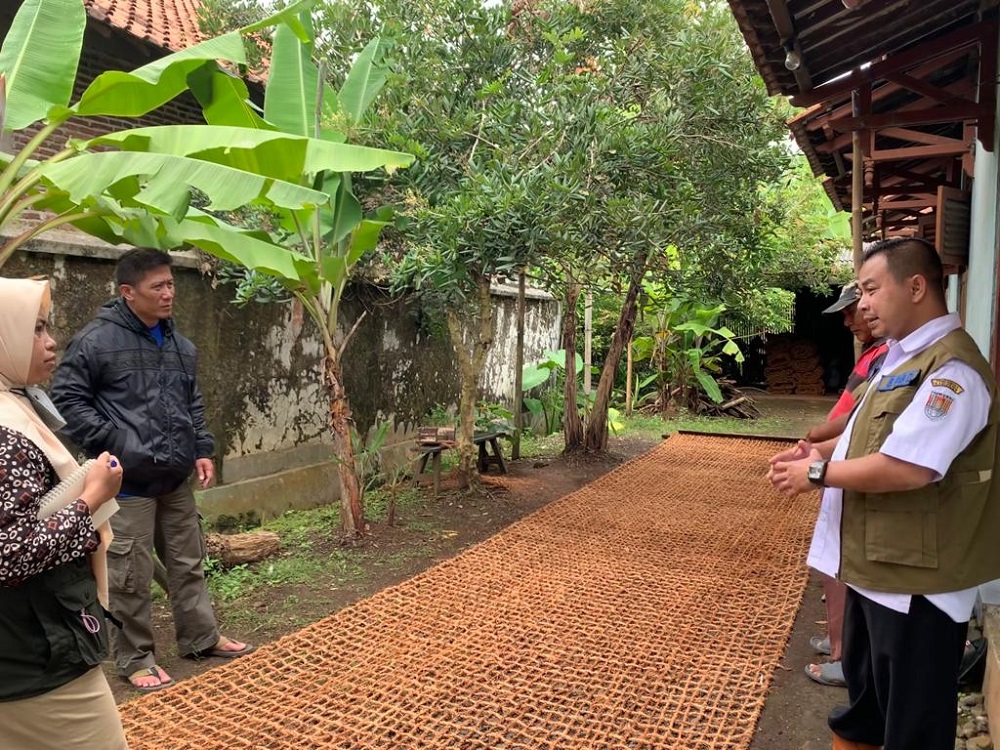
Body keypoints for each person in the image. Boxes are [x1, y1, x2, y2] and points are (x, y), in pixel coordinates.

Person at [769, 236, 1000, 750]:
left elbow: (908, 467)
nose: (863, 303)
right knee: (868, 712)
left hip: (916, 584)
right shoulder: (898, 360)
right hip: (877, 568)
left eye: (871, 289)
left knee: (911, 728)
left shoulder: (952, 371)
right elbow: (864, 439)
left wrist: (815, 476)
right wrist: (820, 458)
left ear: (916, 286)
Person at [51, 248, 251, 693]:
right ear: (128, 293)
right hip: (127, 484)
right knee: (129, 576)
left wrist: (201, 448)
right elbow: (65, 400)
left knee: (188, 562)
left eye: (171, 284)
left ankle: (201, 638)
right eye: (157, 286)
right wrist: (116, 441)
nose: (168, 293)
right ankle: (136, 657)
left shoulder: (180, 345)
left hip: (174, 478)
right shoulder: (96, 342)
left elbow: (191, 403)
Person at [0, 277, 129, 750]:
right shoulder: (5, 433)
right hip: (33, 656)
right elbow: (10, 554)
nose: (51, 341)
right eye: (34, 329)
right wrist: (90, 498)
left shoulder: (15, 402)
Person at [803, 281, 888, 688]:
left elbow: (861, 422)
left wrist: (818, 454)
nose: (850, 319)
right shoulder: (876, 355)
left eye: (854, 310)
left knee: (841, 561)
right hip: (840, 456)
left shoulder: (891, 356)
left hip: (849, 463)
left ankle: (844, 655)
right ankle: (843, 648)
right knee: (836, 560)